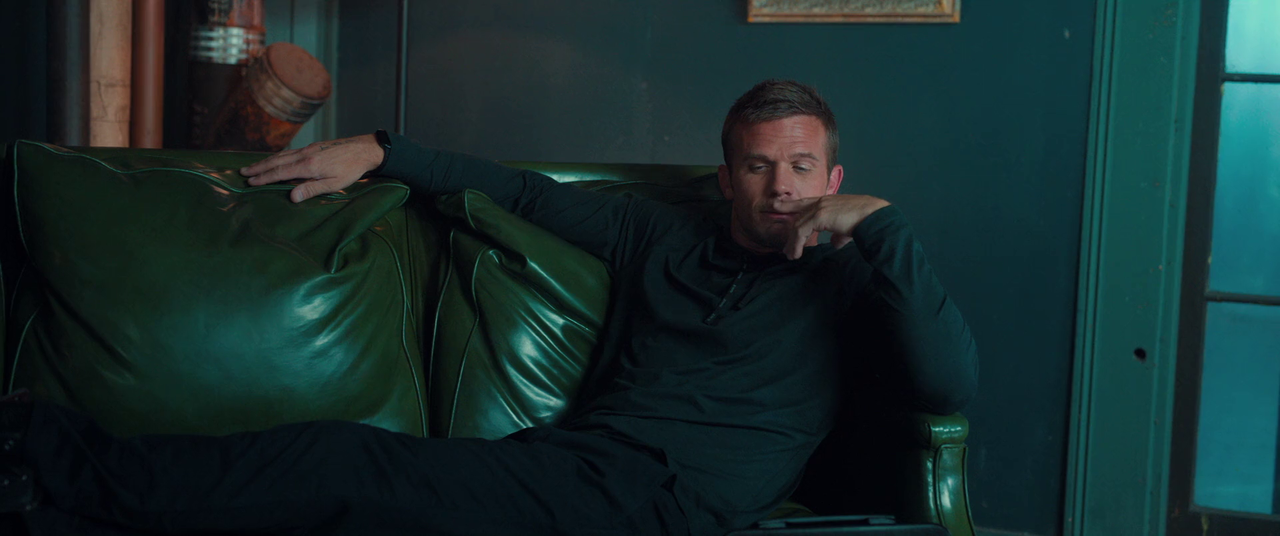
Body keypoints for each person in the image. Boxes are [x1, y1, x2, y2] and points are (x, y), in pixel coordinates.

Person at [0, 79, 977, 536]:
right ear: (725, 178)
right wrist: (384, 148)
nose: (781, 187)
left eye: (801, 167)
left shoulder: (858, 274)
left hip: (675, 505)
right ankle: (50, 493)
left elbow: (946, 384)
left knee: (344, 464)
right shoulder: (659, 234)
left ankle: (39, 446)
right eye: (758, 167)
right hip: (576, 473)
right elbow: (521, 192)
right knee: (344, 484)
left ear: (832, 177)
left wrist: (880, 226)